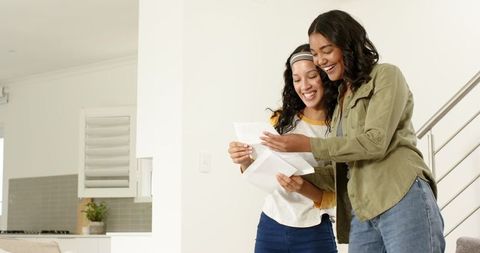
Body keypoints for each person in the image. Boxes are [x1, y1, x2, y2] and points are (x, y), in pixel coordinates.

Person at [260, 10, 445, 253]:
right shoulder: (340, 102)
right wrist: (291, 172)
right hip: (362, 213)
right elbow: (339, 173)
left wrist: (307, 144)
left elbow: (375, 141)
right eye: (315, 54)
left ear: (348, 45)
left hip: (401, 196)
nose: (320, 60)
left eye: (326, 50)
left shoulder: (386, 75)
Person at [228, 44, 338, 253]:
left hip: (314, 231)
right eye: (297, 79)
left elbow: (339, 190)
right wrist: (244, 160)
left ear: (324, 76)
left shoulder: (339, 129)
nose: (304, 85)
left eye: (312, 76)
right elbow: (261, 171)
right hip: (271, 225)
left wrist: (304, 188)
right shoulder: (281, 120)